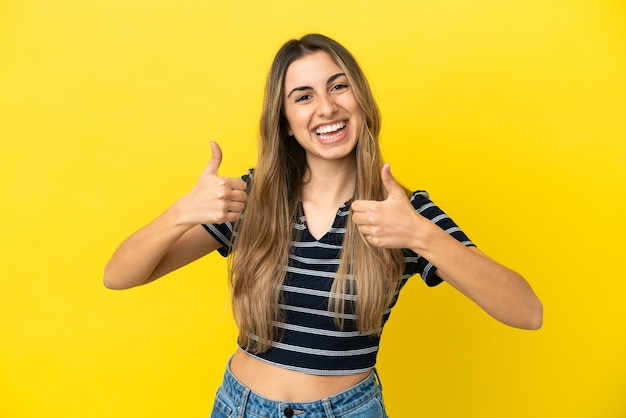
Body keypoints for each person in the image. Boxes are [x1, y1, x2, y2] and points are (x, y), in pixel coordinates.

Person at [104, 33, 542, 418]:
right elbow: (119, 276)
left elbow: (527, 312)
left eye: (338, 86)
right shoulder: (255, 199)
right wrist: (183, 211)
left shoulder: (402, 213)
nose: (327, 107)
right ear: (287, 124)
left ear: (361, 101)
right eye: (304, 96)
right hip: (240, 407)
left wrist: (419, 236)